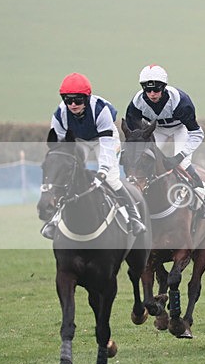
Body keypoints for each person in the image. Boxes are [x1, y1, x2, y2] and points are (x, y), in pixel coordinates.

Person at [41, 72, 146, 239]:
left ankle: (133, 217)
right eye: (68, 100)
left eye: (78, 100)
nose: (73, 105)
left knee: (111, 178)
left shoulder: (101, 110)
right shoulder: (59, 115)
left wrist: (103, 171)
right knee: (70, 179)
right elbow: (62, 150)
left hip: (103, 139)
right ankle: (54, 220)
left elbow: (106, 147)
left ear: (87, 98)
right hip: (79, 140)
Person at [124, 64, 205, 218]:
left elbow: (197, 134)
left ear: (164, 87)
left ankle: (202, 192)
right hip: (156, 129)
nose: (152, 94)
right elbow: (134, 135)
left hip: (180, 129)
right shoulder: (137, 103)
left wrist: (179, 156)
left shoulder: (181, 102)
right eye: (147, 89)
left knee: (183, 163)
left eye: (156, 90)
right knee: (145, 160)